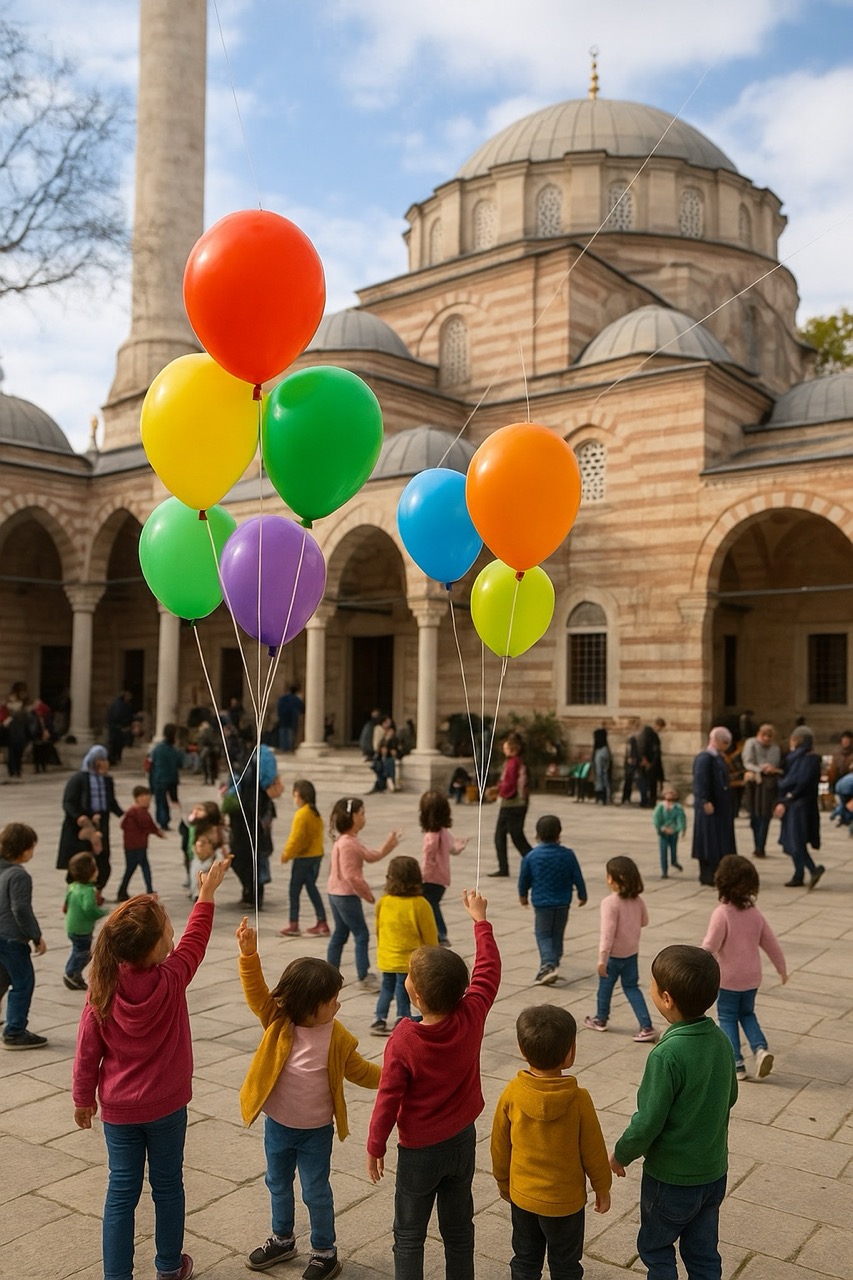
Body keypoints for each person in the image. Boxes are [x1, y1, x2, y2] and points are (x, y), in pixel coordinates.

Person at [72, 857, 232, 1280]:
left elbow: (87, 1052)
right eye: (166, 929)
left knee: (121, 1192)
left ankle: (116, 1275)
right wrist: (207, 894)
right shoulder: (171, 976)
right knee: (168, 1186)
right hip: (166, 1107)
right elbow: (196, 940)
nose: (174, 932)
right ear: (154, 950)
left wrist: (82, 1098)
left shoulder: (102, 987)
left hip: (120, 1112)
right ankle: (167, 1267)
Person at [366, 888, 500, 1280]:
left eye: (408, 975)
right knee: (459, 1229)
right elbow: (489, 969)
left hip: (419, 1150)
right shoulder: (472, 1011)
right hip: (461, 1139)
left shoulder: (405, 1039)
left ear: (416, 994)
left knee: (409, 1234)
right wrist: (480, 920)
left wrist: (376, 1143)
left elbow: (388, 1096)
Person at [236, 924, 380, 1280]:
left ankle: (324, 1251)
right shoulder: (279, 1021)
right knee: (277, 1182)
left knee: (316, 1191)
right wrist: (248, 955)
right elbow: (256, 993)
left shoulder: (338, 1035)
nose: (338, 1004)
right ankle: (282, 1239)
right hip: (278, 1126)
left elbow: (359, 1071)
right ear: (308, 1005)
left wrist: (396, 1076)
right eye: (332, 1000)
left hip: (316, 1132)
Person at [609, 944, 738, 1280]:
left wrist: (621, 1154)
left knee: (656, 1248)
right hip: (713, 1172)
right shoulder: (722, 1040)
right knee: (703, 1252)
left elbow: (649, 1120)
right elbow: (731, 1095)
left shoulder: (667, 1055)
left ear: (666, 998)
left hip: (671, 1179)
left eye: (651, 984)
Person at [490, 1006, 611, 1279]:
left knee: (524, 1259)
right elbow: (593, 1149)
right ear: (570, 1052)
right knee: (566, 1265)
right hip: (565, 1203)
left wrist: (502, 1180)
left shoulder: (512, 1093)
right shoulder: (579, 1100)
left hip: (523, 1197)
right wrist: (602, 1187)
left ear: (522, 1049)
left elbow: (499, 1143)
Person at [701, 854, 787, 1081]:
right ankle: (760, 1049)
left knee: (728, 1017)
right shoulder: (754, 913)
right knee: (747, 1014)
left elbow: (710, 945)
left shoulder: (722, 913)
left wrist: (696, 963)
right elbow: (771, 943)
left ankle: (737, 1063)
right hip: (751, 979)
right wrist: (782, 968)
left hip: (729, 979)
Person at [326, 797, 401, 993]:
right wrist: (367, 895)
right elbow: (353, 877)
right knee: (361, 934)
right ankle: (364, 976)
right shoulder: (349, 844)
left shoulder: (346, 841)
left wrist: (388, 845)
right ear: (352, 817)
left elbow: (370, 855)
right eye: (362, 814)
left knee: (340, 933)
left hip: (334, 892)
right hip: (345, 895)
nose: (364, 817)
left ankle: (328, 973)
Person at [584, 856, 656, 1042]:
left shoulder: (610, 903)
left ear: (611, 879)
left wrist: (602, 959)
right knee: (632, 987)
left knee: (605, 989)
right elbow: (645, 921)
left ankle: (600, 1019)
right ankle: (646, 1026)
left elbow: (607, 934)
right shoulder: (637, 900)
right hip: (631, 953)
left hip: (613, 956)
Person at [371, 856, 438, 1036]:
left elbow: (378, 928)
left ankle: (379, 1018)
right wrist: (433, 956)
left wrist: (382, 950)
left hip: (387, 956)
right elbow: (430, 935)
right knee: (403, 987)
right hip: (409, 959)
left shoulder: (384, 901)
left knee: (387, 986)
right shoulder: (420, 904)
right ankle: (402, 1018)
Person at [518, 814, 587, 987]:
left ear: (537, 834)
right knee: (557, 934)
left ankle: (548, 965)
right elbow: (577, 876)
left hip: (542, 904)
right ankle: (554, 962)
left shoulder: (531, 856)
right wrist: (582, 894)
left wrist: (523, 895)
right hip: (563, 902)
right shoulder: (568, 855)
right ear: (559, 833)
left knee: (543, 934)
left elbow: (524, 878)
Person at [0, 822, 47, 1049]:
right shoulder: (19, 875)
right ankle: (14, 1032)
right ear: (24, 848)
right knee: (23, 982)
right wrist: (35, 935)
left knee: (2, 980)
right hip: (12, 940)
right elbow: (21, 910)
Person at [57, 745, 124, 891]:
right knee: (81, 859)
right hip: (81, 827)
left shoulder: (106, 780)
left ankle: (97, 889)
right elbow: (68, 802)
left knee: (102, 857)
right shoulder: (78, 779)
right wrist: (78, 817)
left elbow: (111, 802)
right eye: (101, 760)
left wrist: (123, 815)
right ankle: (76, 890)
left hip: (101, 824)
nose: (104, 763)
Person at [228, 745, 283, 910]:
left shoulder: (260, 757)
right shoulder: (250, 758)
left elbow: (266, 782)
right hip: (248, 814)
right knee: (246, 855)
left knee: (254, 855)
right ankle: (250, 892)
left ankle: (254, 894)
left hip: (253, 814)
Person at [774, 724, 824, 889]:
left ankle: (813, 869)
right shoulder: (795, 758)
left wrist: (787, 796)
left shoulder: (809, 759)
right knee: (792, 840)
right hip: (795, 805)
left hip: (800, 806)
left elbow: (800, 782)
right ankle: (798, 874)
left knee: (796, 841)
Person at [279, 779, 329, 939]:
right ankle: (322, 922)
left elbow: (297, 838)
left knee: (294, 890)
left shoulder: (302, 814)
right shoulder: (315, 813)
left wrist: (287, 853)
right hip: (316, 855)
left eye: (294, 795)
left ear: (299, 795)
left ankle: (294, 923)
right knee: (311, 887)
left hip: (304, 858)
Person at [419, 789, 467, 947]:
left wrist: (421, 878)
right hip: (442, 879)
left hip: (430, 879)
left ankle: (440, 934)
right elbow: (453, 849)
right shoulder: (444, 831)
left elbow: (428, 860)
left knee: (430, 905)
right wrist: (460, 846)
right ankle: (438, 934)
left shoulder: (431, 837)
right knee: (433, 904)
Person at [691, 727, 736, 886]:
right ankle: (708, 875)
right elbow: (700, 781)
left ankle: (718, 874)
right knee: (709, 841)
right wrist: (704, 800)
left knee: (719, 841)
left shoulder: (718, 758)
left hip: (720, 807)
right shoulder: (705, 758)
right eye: (725, 743)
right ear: (717, 741)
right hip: (710, 807)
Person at [63, 851, 108, 992]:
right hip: (82, 929)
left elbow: (66, 903)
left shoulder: (73, 886)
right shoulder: (88, 891)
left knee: (77, 949)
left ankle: (71, 972)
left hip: (72, 927)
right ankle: (72, 973)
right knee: (84, 952)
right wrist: (102, 912)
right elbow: (89, 909)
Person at [488, 732, 532, 877]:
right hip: (516, 803)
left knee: (510, 836)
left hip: (512, 804)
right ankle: (505, 867)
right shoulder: (517, 761)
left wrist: (498, 791)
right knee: (512, 835)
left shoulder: (513, 763)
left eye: (506, 748)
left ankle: (535, 862)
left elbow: (509, 784)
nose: (504, 750)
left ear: (514, 749)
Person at [741, 723, 782, 858]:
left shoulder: (775, 748)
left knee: (765, 815)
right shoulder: (751, 743)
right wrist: (761, 768)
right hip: (755, 781)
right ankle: (757, 843)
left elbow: (776, 762)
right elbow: (747, 762)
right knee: (754, 815)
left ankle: (761, 846)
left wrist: (771, 768)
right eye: (764, 735)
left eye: (770, 736)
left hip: (769, 783)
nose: (766, 739)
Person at [117, 784, 164, 901]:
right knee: (133, 868)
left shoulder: (132, 811)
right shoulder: (139, 812)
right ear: (137, 798)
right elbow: (149, 825)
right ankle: (122, 891)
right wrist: (157, 832)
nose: (147, 802)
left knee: (143, 867)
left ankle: (148, 889)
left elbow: (123, 825)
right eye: (145, 799)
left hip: (134, 845)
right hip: (136, 846)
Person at [148, 723, 183, 831]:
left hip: (159, 778)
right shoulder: (174, 750)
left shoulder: (157, 749)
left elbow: (152, 764)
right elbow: (180, 763)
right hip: (171, 778)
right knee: (170, 800)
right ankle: (167, 820)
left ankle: (163, 821)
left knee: (161, 801)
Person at [651, 786, 687, 878]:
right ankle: (664, 872)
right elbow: (656, 819)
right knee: (663, 852)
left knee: (673, 850)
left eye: (672, 793)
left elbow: (681, 819)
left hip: (673, 832)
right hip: (663, 833)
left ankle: (674, 862)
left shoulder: (677, 808)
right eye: (668, 793)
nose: (670, 795)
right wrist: (661, 828)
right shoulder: (660, 807)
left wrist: (680, 829)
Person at [188, 823, 227, 901]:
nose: (200, 844)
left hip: (209, 860)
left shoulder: (215, 857)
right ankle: (196, 893)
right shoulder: (195, 859)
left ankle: (198, 894)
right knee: (195, 875)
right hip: (201, 860)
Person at [636, 718, 665, 808]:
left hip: (652, 763)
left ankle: (650, 801)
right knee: (648, 782)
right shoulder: (648, 734)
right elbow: (643, 747)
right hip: (649, 763)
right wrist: (646, 761)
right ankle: (647, 801)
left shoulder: (651, 734)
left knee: (652, 783)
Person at [370, 717, 399, 793]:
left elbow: (394, 750)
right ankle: (382, 785)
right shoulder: (381, 734)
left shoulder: (393, 739)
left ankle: (388, 784)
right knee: (380, 767)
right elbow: (379, 747)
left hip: (388, 758)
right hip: (381, 758)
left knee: (388, 765)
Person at [107, 690, 135, 766]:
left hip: (115, 727)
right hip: (118, 727)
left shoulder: (118, 704)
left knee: (115, 744)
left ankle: (114, 759)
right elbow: (119, 716)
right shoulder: (121, 706)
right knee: (117, 744)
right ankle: (114, 759)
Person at [276, 684, 305, 753]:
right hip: (292, 720)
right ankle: (288, 749)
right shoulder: (296, 699)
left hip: (283, 720)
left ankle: (284, 749)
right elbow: (302, 709)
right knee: (290, 735)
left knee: (283, 734)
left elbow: (278, 708)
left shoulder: (283, 698)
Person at [592, 723, 611, 804]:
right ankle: (606, 795)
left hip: (601, 784)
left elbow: (599, 773)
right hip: (604, 753)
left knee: (600, 774)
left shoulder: (600, 751)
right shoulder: (606, 749)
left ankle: (601, 796)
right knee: (605, 775)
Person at [620, 729, 640, 805]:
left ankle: (625, 798)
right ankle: (626, 798)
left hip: (628, 764)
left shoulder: (630, 740)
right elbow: (631, 752)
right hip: (630, 764)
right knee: (629, 781)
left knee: (628, 781)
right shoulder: (632, 740)